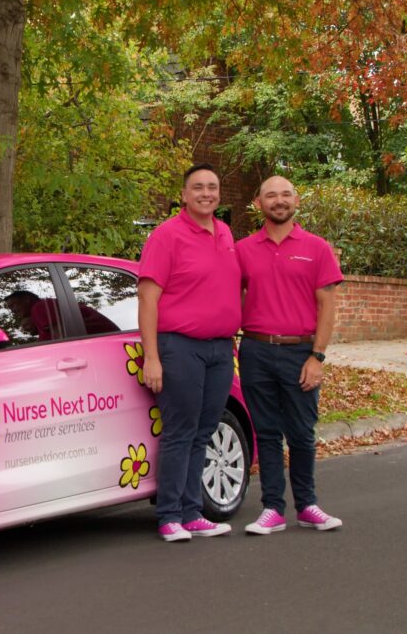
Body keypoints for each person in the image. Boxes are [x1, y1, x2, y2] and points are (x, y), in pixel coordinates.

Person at [138, 163, 241, 542]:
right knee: (180, 431)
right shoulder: (166, 236)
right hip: (180, 347)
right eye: (197, 187)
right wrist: (152, 357)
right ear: (183, 195)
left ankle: (192, 511)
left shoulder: (226, 233)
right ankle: (169, 516)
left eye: (212, 187)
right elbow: (148, 298)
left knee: (204, 431)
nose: (206, 193)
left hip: (219, 349)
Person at [237, 175, 344, 534]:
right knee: (266, 434)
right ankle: (272, 509)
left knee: (301, 433)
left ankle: (308, 505)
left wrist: (318, 356)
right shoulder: (243, 250)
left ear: (296, 201)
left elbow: (327, 306)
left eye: (285, 195)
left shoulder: (317, 248)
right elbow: (225, 296)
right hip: (255, 350)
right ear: (258, 203)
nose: (278, 201)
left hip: (301, 352)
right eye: (271, 195)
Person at [3, 291, 119, 341]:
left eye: (13, 305)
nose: (13, 311)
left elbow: (58, 339)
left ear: (27, 299)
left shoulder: (39, 307)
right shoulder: (48, 308)